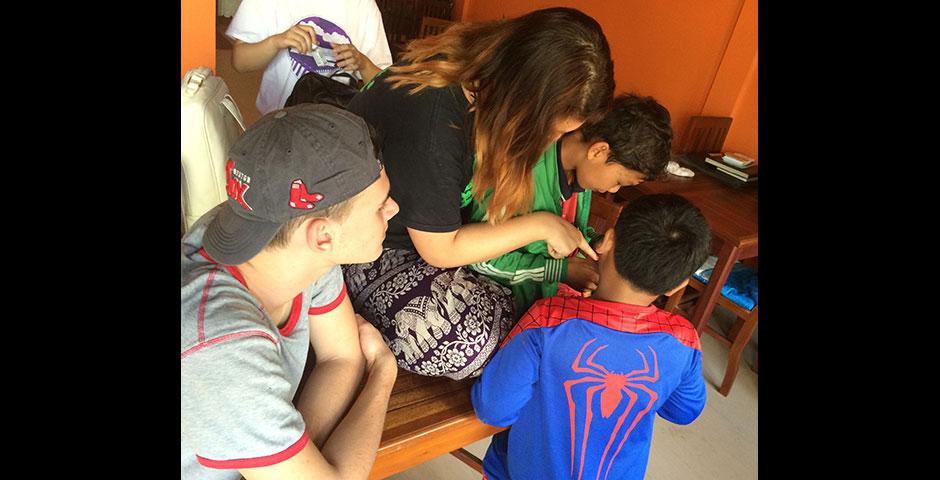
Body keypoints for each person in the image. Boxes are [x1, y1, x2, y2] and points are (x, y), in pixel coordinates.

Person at [342, 7, 615, 380]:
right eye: (549, 130)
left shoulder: (476, 74)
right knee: (470, 340)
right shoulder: (435, 124)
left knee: (529, 315)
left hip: (428, 240)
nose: (549, 144)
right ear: (523, 98)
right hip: (366, 246)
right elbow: (440, 251)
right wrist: (543, 225)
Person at [181, 103, 401, 480]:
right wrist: (383, 373)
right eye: (380, 206)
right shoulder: (221, 346)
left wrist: (295, 454)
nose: (393, 209)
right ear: (323, 236)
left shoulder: (275, 236)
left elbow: (341, 357)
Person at [471, 193, 711, 480]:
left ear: (607, 240)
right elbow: (684, 412)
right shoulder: (683, 340)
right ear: (677, 286)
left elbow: (494, 410)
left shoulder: (547, 320)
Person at [468, 93, 674, 315]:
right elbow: (480, 260)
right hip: (493, 302)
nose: (614, 190)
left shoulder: (580, 179)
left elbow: (569, 230)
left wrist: (595, 244)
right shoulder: (520, 172)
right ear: (598, 151)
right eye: (618, 182)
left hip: (537, 300)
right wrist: (558, 271)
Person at [225, 0, 393, 115]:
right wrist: (276, 42)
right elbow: (240, 62)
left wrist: (362, 63)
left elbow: (386, 86)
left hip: (338, 127)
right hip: (279, 120)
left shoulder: (363, 5)